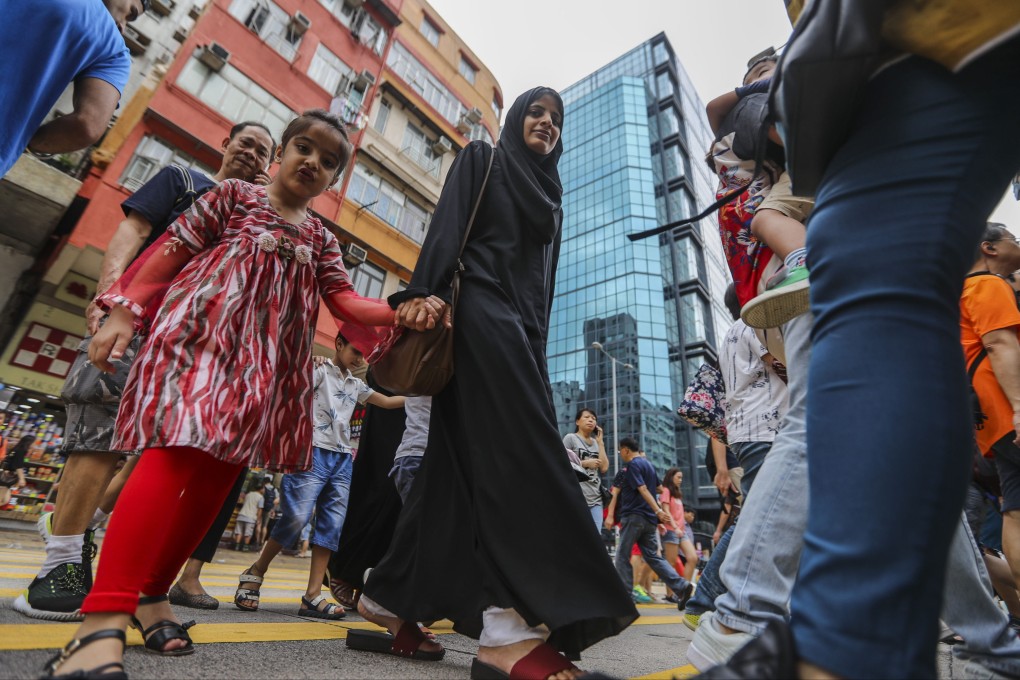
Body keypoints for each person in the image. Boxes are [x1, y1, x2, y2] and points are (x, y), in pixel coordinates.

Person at [42, 108, 440, 679]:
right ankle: (99, 624)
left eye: (329, 161)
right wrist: (123, 312)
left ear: (333, 179)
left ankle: (153, 595)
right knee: (175, 455)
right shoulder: (230, 198)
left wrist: (405, 309)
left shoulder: (322, 239)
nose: (314, 162)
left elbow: (350, 305)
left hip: (267, 371)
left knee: (216, 479)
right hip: (197, 345)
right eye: (305, 147)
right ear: (282, 151)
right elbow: (168, 253)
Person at [703, 3, 1020, 676]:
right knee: (862, 270)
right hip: (890, 54)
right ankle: (849, 642)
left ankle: (838, 646)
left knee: (876, 285)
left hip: (955, 33)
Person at [349, 88, 637, 679]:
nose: (547, 124)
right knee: (522, 454)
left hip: (519, 333)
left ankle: (392, 598)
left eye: (556, 120)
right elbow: (448, 225)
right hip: (474, 312)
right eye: (537, 113)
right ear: (515, 120)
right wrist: (422, 293)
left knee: (452, 470)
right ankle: (507, 631)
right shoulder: (486, 159)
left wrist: (535, 350)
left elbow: (543, 287)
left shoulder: (550, 198)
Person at [15, 121, 276, 622]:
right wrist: (109, 297)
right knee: (99, 435)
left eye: (263, 151)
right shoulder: (182, 180)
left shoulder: (253, 216)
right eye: (245, 142)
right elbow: (132, 228)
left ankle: (76, 523)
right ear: (225, 143)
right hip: (135, 324)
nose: (252, 154)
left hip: (189, 347)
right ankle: (62, 567)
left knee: (160, 451)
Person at [234, 329, 405, 619]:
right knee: (296, 518)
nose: (358, 360)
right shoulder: (317, 371)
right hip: (310, 452)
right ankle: (256, 570)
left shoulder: (355, 385)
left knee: (331, 527)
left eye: (363, 355)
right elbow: (289, 388)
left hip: (341, 460)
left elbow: (387, 402)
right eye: (355, 352)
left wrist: (426, 398)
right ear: (338, 344)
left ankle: (313, 595)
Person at [0, 0, 141, 178]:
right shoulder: (114, 52)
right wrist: (21, 142)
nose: (123, 26)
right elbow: (87, 126)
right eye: (131, 13)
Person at [961, 224, 1020, 597]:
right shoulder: (987, 285)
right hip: (1005, 406)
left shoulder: (954, 296)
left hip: (987, 421)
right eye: (1012, 238)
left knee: (1014, 511)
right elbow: (999, 344)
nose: (1017, 243)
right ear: (989, 248)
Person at [607, 438, 693, 612]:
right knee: (654, 557)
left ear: (625, 450)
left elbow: (643, 488)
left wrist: (658, 510)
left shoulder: (633, 465)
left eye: (619, 452)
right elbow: (660, 489)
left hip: (634, 517)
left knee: (622, 555)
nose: (621, 455)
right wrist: (655, 512)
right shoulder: (649, 466)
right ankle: (682, 586)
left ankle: (626, 597)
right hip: (649, 521)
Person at [563, 408, 609, 530]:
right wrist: (584, 463)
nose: (591, 420)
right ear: (577, 421)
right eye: (587, 417)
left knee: (596, 537)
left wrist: (600, 443)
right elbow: (561, 463)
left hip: (596, 498)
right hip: (576, 495)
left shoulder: (596, 442)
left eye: (594, 419)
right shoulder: (570, 438)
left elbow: (604, 468)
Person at [660, 468, 698, 590]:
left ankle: (683, 589)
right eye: (678, 477)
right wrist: (675, 526)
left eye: (681, 477)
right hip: (671, 530)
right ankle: (671, 594)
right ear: (671, 477)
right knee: (670, 564)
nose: (680, 480)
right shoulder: (666, 491)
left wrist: (680, 528)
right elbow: (666, 511)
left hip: (682, 531)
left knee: (693, 558)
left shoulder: (677, 493)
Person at [0, 435, 33, 508]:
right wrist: (22, 479)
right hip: (5, 477)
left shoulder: (16, 448)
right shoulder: (21, 451)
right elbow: (18, 465)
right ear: (29, 443)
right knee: (1, 500)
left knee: (5, 500)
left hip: (5, 477)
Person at [233, 484, 263, 552]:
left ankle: (237, 546)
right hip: (251, 517)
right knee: (248, 533)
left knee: (238, 531)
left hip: (241, 515)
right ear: (261, 489)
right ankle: (245, 547)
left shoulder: (248, 494)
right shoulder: (260, 497)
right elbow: (260, 509)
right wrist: (258, 519)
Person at [256, 475, 278, 548]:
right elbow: (276, 501)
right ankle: (262, 541)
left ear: (264, 482)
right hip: (269, 509)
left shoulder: (263, 488)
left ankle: (257, 541)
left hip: (261, 508)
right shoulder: (274, 489)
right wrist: (273, 509)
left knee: (259, 523)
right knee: (265, 526)